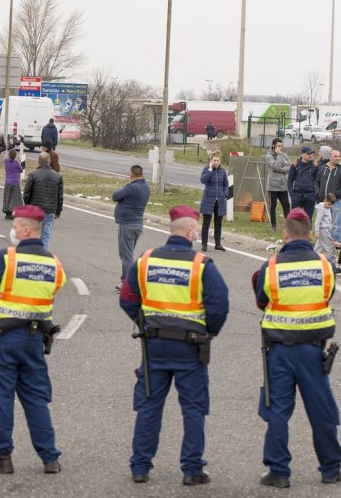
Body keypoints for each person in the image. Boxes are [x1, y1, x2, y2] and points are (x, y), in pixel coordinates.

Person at [120, 205, 229, 485]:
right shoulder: (201, 265)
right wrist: (208, 332)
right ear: (191, 232)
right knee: (193, 408)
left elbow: (128, 297)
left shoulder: (145, 261)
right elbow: (219, 306)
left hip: (153, 344)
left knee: (149, 406)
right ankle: (192, 469)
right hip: (190, 347)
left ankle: (140, 467)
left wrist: (145, 323)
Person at [252, 207, 341, 489]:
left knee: (279, 410)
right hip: (313, 350)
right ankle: (330, 468)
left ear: (286, 233)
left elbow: (261, 299)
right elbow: (328, 295)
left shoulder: (271, 265)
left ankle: (279, 472)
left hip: (279, 348)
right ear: (311, 234)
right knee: (321, 410)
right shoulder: (325, 265)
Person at [0, 204, 66, 475]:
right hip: (34, 339)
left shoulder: (5, 258)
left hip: (4, 339)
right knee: (36, 397)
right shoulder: (54, 263)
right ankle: (49, 458)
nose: (13, 231)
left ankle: (2, 457)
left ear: (26, 230)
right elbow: (53, 290)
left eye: (15, 227)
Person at [112, 165, 151, 284]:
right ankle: (127, 281)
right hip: (137, 224)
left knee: (126, 257)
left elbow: (115, 196)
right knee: (129, 254)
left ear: (131, 175)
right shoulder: (145, 187)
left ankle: (128, 284)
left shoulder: (132, 187)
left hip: (127, 224)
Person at [23, 152, 63, 250]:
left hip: (35, 210)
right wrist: (58, 211)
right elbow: (60, 197)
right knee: (45, 236)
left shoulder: (33, 175)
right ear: (49, 162)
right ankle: (42, 256)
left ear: (39, 162)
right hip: (50, 211)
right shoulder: (58, 177)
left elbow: (26, 193)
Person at [316, 149, 341, 242]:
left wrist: (336, 194)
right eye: (335, 156)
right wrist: (318, 193)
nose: (337, 158)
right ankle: (324, 240)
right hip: (323, 201)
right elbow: (316, 182)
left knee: (336, 223)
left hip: (336, 202)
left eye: (339, 156)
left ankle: (336, 242)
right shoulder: (323, 168)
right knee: (324, 222)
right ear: (330, 157)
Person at [199, 151, 228, 251]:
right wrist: (210, 169)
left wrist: (225, 194)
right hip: (208, 199)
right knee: (206, 223)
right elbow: (203, 180)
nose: (216, 162)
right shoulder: (207, 169)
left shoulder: (223, 171)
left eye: (218, 160)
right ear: (211, 161)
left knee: (218, 223)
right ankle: (204, 244)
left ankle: (218, 244)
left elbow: (226, 184)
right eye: (214, 160)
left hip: (219, 200)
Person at [264, 138, 291, 232]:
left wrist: (280, 170)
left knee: (286, 205)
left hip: (283, 185)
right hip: (273, 186)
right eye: (279, 146)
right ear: (273, 146)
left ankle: (289, 226)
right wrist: (279, 156)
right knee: (273, 206)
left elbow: (289, 167)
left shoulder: (284, 155)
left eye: (281, 146)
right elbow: (274, 166)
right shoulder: (268, 156)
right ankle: (274, 225)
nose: (280, 147)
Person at [287, 146, 319, 220]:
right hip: (297, 195)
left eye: (311, 153)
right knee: (295, 219)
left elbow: (318, 181)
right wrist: (292, 194)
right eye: (308, 153)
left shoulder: (315, 166)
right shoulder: (295, 165)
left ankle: (307, 231)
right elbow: (290, 180)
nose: (310, 155)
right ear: (302, 154)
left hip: (310, 195)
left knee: (308, 219)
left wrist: (315, 194)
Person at [313, 193, 339, 271]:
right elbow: (318, 221)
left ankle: (312, 261)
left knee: (318, 248)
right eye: (329, 204)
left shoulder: (327, 207)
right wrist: (317, 231)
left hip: (325, 230)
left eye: (331, 205)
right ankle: (332, 265)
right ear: (325, 200)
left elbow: (328, 220)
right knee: (330, 247)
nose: (330, 206)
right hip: (323, 230)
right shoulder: (322, 208)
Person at [2, 149, 25, 219]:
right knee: (15, 198)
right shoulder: (16, 162)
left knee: (7, 197)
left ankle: (7, 212)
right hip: (15, 182)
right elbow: (21, 170)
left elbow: (5, 159)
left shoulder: (6, 161)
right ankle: (13, 212)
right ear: (15, 156)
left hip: (8, 182)